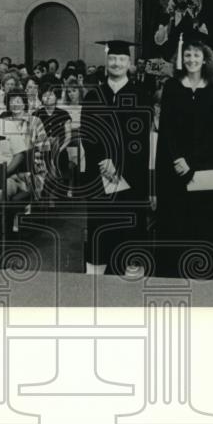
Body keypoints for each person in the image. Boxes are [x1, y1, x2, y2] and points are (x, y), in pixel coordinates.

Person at [155, 37, 213, 278]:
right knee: (176, 219)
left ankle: (201, 271)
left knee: (203, 220)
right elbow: (166, 128)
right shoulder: (172, 87)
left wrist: (193, 162)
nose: (192, 59)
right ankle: (174, 272)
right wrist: (178, 158)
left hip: (206, 166)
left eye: (197, 55)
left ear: (205, 59)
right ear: (181, 59)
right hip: (175, 166)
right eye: (187, 55)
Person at [81, 40, 151, 275]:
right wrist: (104, 161)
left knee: (129, 228)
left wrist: (117, 163)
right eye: (113, 59)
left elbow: (139, 139)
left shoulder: (140, 95)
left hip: (130, 175)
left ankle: (130, 282)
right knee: (101, 228)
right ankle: (95, 281)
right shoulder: (94, 96)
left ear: (129, 63)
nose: (117, 63)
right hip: (100, 175)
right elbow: (88, 135)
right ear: (106, 62)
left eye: (122, 59)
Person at [32, 80, 72, 200]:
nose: (48, 97)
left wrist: (59, 149)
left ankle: (59, 191)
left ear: (57, 96)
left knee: (59, 158)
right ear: (41, 98)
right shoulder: (36, 114)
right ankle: (42, 192)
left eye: (51, 94)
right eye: (45, 95)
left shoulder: (64, 114)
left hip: (60, 149)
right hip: (41, 151)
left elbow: (68, 137)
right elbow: (33, 137)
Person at [152, 0, 209, 64]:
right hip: (171, 59)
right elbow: (159, 41)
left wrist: (196, 23)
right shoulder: (167, 17)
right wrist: (170, 21)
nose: (183, 0)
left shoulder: (195, 17)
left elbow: (204, 36)